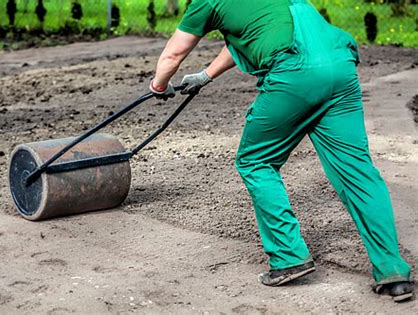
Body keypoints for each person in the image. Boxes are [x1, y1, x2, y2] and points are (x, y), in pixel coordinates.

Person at [149, 0, 413, 302]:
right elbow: (250, 34)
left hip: (295, 73)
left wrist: (159, 85)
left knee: (255, 161)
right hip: (340, 66)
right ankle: (393, 271)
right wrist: (206, 76)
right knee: (357, 172)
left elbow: (174, 52)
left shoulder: (206, 2)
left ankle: (289, 258)